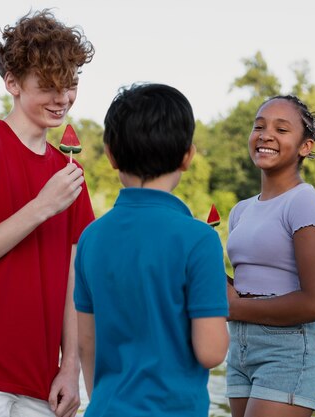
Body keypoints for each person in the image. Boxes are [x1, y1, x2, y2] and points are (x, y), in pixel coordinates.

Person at [0, 9, 94, 417]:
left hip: (41, 379)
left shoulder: (70, 174)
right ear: (12, 82)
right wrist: (41, 207)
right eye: (48, 85)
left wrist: (70, 367)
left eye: (70, 84)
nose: (62, 98)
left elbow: (73, 280)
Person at [74, 83, 229, 416]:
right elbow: (211, 351)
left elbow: (86, 343)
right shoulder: (199, 239)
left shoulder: (91, 237)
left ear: (111, 154)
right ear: (188, 156)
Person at [225, 95, 315, 417]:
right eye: (258, 126)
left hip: (287, 351)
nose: (265, 134)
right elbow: (249, 284)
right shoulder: (241, 210)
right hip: (240, 348)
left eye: (281, 129)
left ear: (306, 146)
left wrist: (235, 307)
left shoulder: (304, 202)